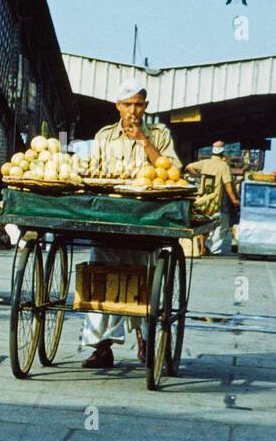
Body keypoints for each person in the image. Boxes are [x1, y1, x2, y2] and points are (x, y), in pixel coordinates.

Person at [82, 79, 182, 368]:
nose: (133, 110)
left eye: (138, 104)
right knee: (100, 276)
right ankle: (102, 346)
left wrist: (143, 141)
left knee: (144, 280)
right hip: (111, 216)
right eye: (127, 105)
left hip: (145, 218)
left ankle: (146, 340)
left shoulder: (159, 134)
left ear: (146, 106)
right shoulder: (104, 136)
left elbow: (172, 171)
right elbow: (95, 172)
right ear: (118, 106)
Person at [185, 140, 232, 252]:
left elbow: (188, 167)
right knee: (218, 224)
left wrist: (198, 174)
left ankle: (202, 247)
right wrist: (234, 199)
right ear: (223, 153)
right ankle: (210, 247)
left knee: (202, 222)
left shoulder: (204, 163)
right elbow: (228, 185)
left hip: (202, 199)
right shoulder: (223, 165)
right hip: (215, 202)